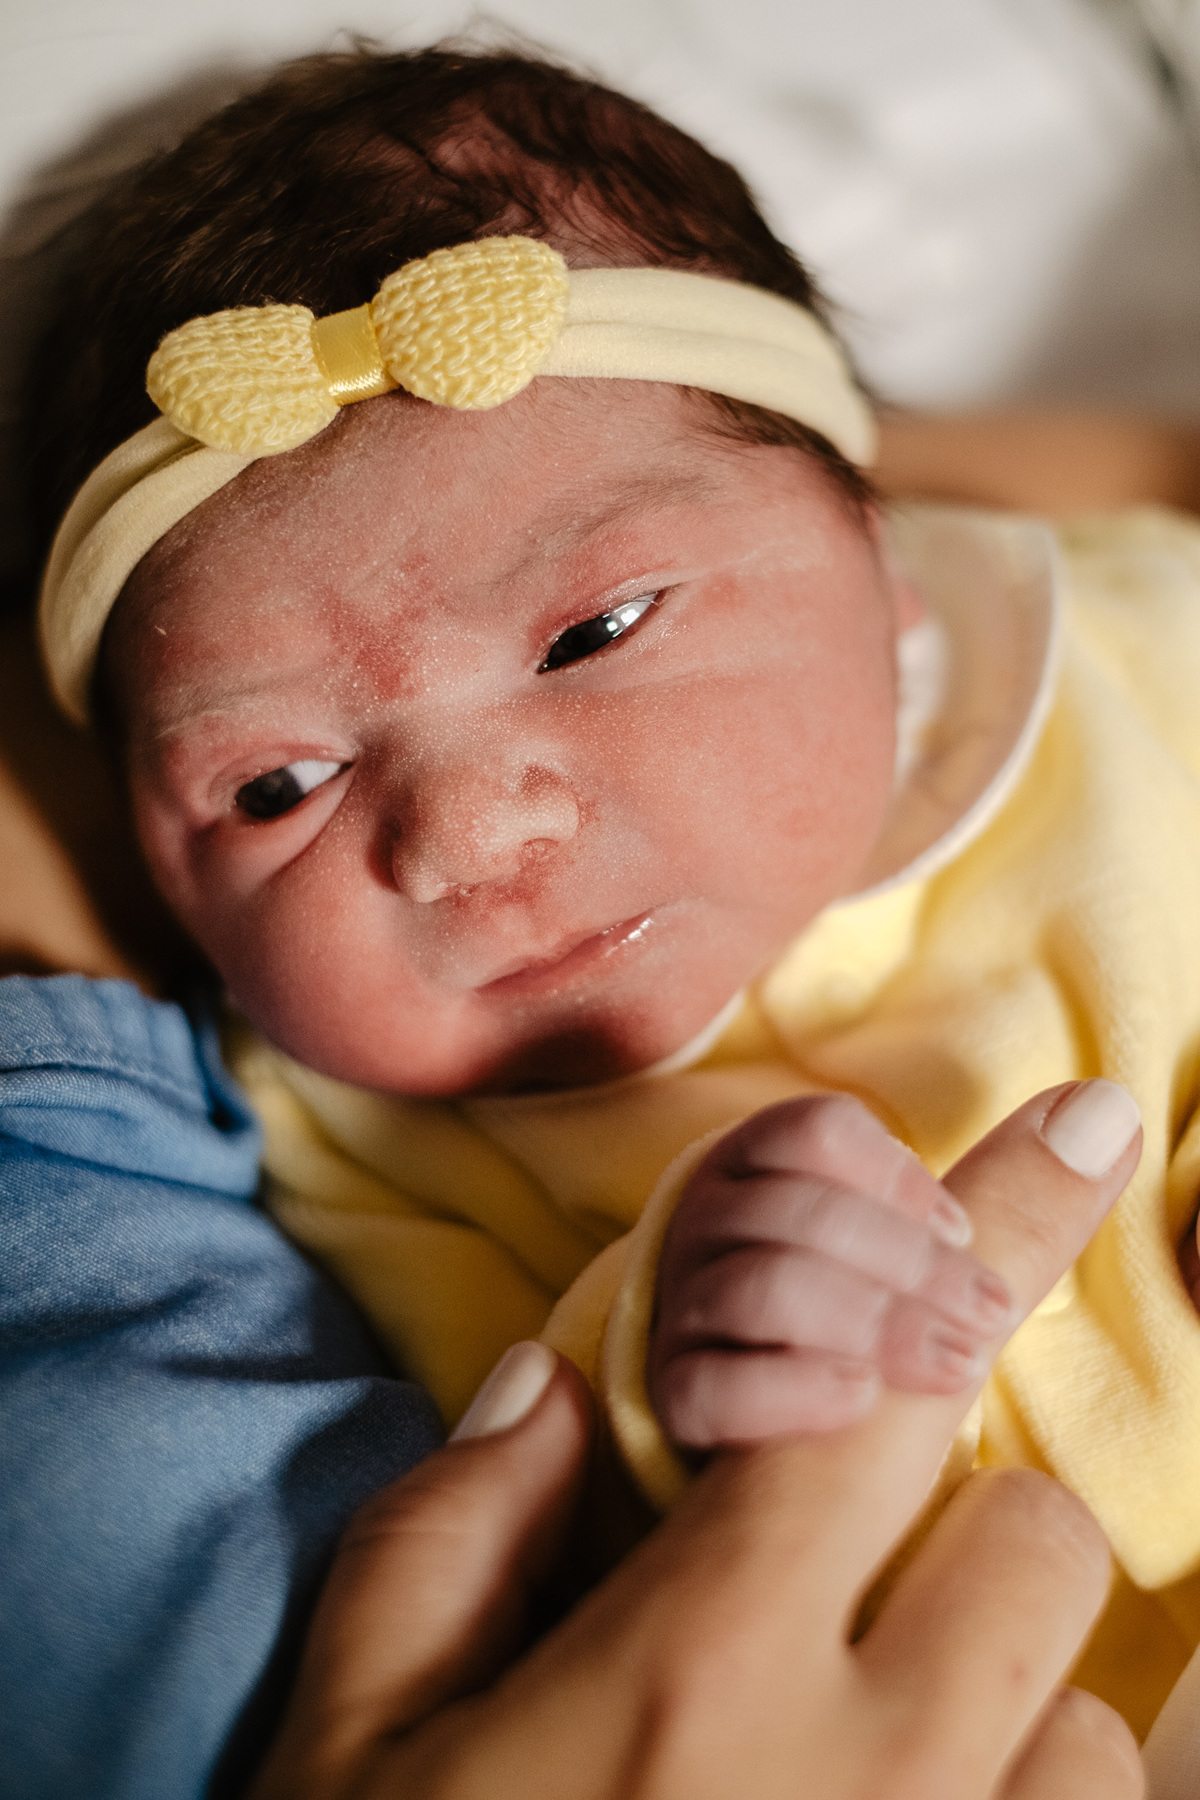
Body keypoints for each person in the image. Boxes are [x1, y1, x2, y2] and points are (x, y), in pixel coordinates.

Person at [18, 35, 1200, 1755]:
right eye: (276, 786)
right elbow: (483, 1566)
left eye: (593, 632)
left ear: (885, 557)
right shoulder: (349, 1154)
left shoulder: (1138, 644)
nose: (467, 836)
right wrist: (685, 1373)